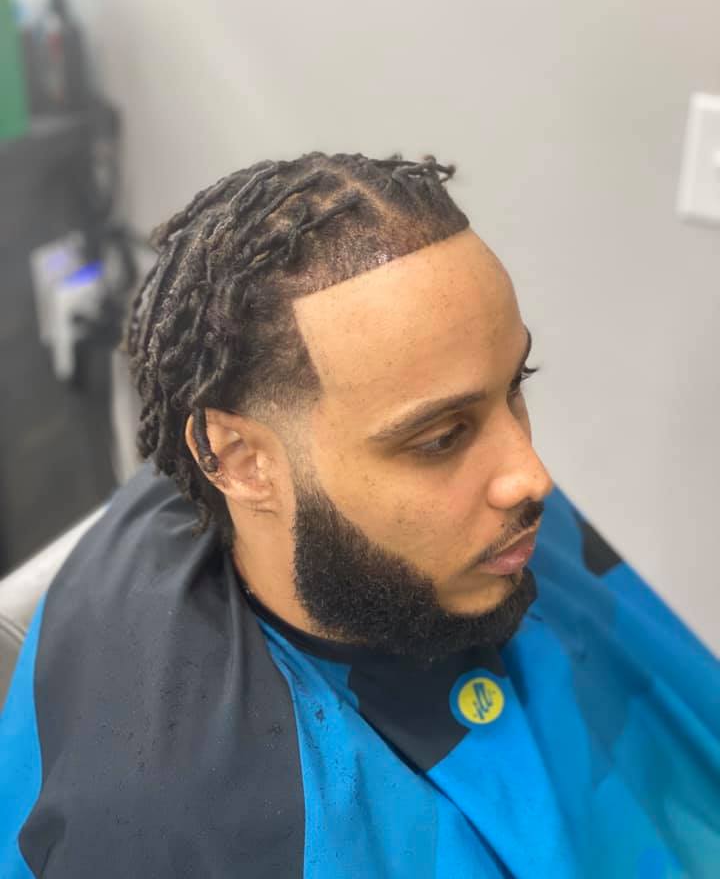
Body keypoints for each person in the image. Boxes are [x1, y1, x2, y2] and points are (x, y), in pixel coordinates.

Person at [1, 152, 718, 878]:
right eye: (441, 438)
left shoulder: (481, 529)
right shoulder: (179, 829)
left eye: (515, 386)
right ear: (240, 461)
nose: (532, 478)